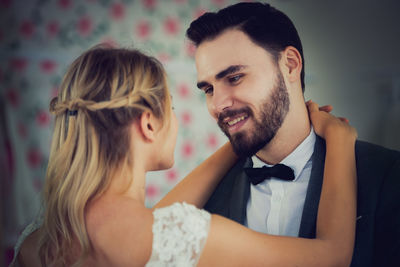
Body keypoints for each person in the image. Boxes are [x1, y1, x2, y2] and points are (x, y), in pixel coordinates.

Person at [10, 45, 357, 267]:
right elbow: (333, 255)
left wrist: (244, 136)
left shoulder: (38, 242)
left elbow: (159, 221)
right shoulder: (180, 236)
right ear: (149, 123)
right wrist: (340, 138)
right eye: (170, 108)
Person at [186, 2, 400, 267]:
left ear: (289, 64)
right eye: (208, 89)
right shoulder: (202, 198)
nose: (218, 105)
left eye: (235, 77)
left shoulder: (387, 174)